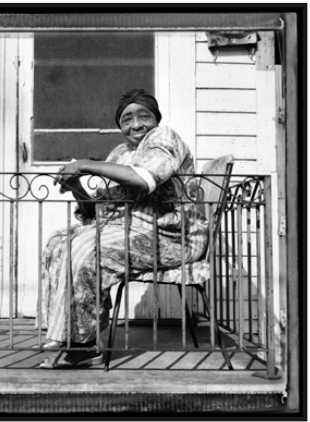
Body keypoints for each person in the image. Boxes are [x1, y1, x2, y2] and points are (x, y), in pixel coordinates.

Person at [37, 89, 209, 369]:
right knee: (59, 241)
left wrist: (86, 165)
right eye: (127, 119)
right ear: (120, 126)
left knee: (87, 250)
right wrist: (77, 188)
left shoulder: (163, 138)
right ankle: (70, 335)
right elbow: (98, 211)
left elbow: (145, 180)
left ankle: (80, 344)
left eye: (145, 116)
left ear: (156, 119)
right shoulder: (120, 153)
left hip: (172, 234)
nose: (137, 124)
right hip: (128, 228)